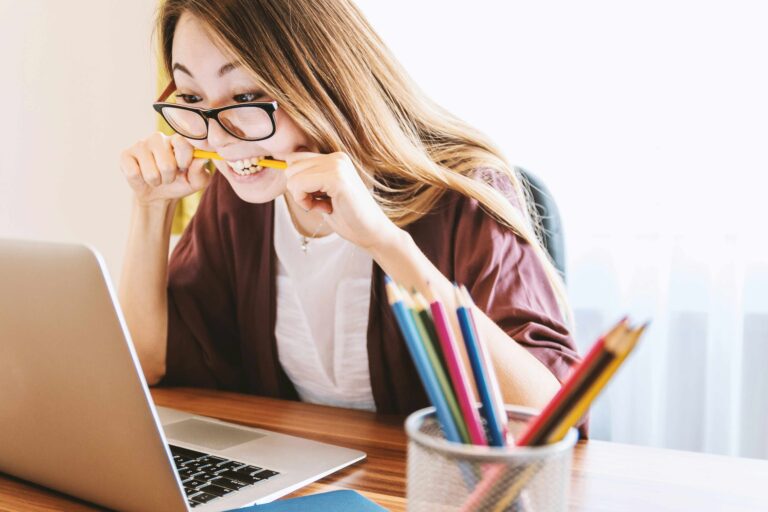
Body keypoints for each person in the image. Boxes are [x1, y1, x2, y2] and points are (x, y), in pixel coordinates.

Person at [118, 0, 581, 418]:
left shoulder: (464, 193)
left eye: (245, 98)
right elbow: (148, 363)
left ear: (321, 80)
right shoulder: (240, 199)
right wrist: (151, 208)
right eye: (192, 98)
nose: (217, 138)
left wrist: (384, 242)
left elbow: (551, 416)